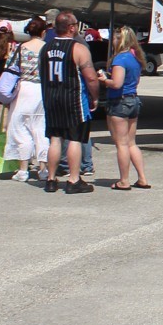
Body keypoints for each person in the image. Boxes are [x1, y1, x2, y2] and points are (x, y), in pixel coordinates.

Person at [42, 11, 101, 194]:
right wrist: (96, 96)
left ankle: (51, 179)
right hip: (73, 98)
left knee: (55, 139)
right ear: (71, 27)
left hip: (51, 97)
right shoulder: (78, 48)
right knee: (74, 138)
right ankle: (73, 179)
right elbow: (90, 78)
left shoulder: (46, 47)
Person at [97, 26, 150, 190]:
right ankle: (142, 178)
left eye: (113, 38)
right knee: (131, 143)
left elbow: (117, 83)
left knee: (121, 144)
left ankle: (124, 180)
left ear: (119, 40)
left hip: (119, 102)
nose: (111, 41)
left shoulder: (120, 59)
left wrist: (104, 80)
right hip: (133, 99)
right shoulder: (135, 58)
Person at [4, 17, 49, 182]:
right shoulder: (47, 48)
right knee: (42, 129)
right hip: (42, 90)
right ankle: (43, 169)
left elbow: (10, 68)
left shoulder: (20, 48)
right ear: (43, 32)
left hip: (24, 88)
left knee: (20, 128)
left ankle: (23, 169)